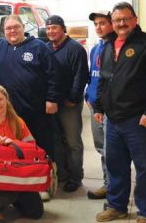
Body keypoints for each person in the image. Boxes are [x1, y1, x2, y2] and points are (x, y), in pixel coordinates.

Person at [0, 14, 62, 201]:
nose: (12, 31)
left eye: (15, 27)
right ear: (3, 31)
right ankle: (19, 183)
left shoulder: (39, 47)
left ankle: (44, 183)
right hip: (9, 113)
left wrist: (52, 99)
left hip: (36, 110)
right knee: (14, 150)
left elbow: (54, 75)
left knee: (41, 147)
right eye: (8, 28)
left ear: (23, 27)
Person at [94, 2, 146, 223]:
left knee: (144, 169)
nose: (121, 23)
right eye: (117, 20)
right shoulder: (108, 47)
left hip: (140, 120)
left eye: (126, 19)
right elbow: (104, 80)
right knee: (115, 166)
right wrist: (99, 107)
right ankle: (117, 206)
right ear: (113, 23)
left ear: (135, 19)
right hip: (113, 121)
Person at [0, 84, 43, 223]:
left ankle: (13, 197)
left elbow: (31, 146)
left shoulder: (17, 121)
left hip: (18, 171)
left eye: (0, 99)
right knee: (8, 188)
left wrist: (14, 143)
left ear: (7, 99)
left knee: (36, 212)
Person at [45, 15, 89, 193]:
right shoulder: (47, 48)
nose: (51, 31)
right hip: (52, 102)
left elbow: (81, 76)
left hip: (69, 103)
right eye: (48, 29)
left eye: (54, 28)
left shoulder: (75, 49)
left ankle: (75, 177)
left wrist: (73, 98)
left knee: (73, 142)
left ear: (63, 29)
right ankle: (62, 173)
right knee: (56, 140)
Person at [85, 10, 115, 199]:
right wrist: (88, 96)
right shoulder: (97, 48)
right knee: (101, 148)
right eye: (96, 24)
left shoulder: (116, 47)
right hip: (95, 106)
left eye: (102, 23)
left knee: (111, 150)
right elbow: (94, 76)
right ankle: (109, 184)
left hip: (109, 109)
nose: (98, 27)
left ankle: (114, 188)